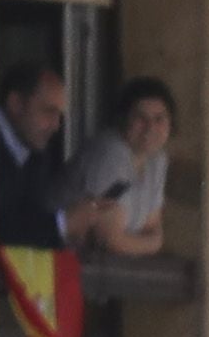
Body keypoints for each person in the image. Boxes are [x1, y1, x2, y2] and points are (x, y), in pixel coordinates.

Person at [62, 77, 174, 259]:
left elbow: (152, 227)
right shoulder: (111, 154)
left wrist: (150, 241)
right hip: (55, 255)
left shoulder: (157, 159)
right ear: (123, 119)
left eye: (159, 118)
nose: (150, 127)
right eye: (140, 118)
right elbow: (110, 240)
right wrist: (151, 243)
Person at [0, 57, 72, 250]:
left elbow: (29, 214)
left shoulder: (33, 152)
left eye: (59, 116)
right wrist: (63, 223)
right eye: (48, 112)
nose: (56, 126)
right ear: (16, 103)